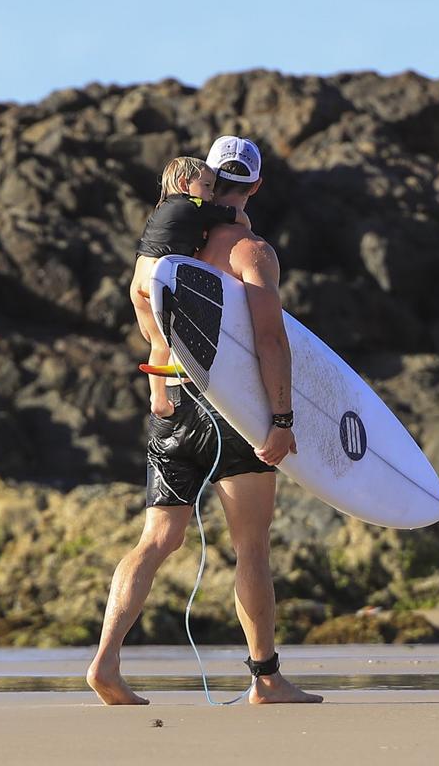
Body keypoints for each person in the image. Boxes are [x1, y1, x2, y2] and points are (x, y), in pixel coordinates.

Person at [87, 137, 322, 705]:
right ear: (256, 185)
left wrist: (159, 387)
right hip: (231, 412)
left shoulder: (168, 251)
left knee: (157, 539)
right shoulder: (251, 252)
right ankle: (265, 678)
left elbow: (151, 324)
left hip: (171, 403)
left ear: (208, 180)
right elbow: (269, 338)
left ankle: (106, 662)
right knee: (252, 547)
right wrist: (283, 418)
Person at [129, 156, 249, 418]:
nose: (211, 194)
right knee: (185, 331)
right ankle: (182, 377)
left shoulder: (162, 207)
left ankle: (158, 399)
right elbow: (234, 216)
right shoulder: (193, 204)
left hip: (139, 279)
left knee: (158, 343)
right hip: (158, 279)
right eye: (207, 186)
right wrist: (246, 225)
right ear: (185, 184)